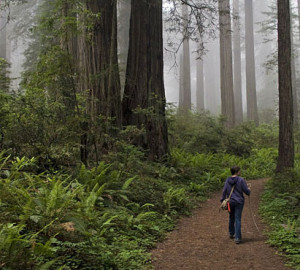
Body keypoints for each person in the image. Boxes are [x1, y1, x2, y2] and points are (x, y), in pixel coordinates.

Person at [220, 166, 251, 244]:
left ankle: (231, 233)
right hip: (239, 202)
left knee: (231, 217)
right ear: (237, 172)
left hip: (230, 201)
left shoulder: (228, 180)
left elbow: (224, 190)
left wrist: (222, 200)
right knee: (238, 219)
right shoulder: (241, 180)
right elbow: (246, 191)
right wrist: (249, 190)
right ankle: (237, 237)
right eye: (239, 171)